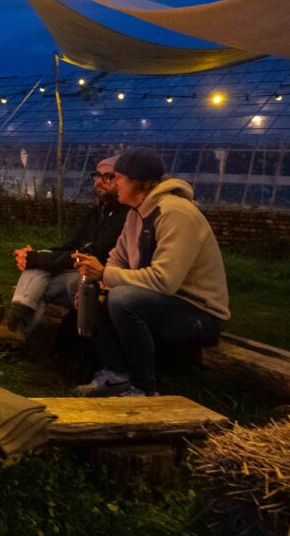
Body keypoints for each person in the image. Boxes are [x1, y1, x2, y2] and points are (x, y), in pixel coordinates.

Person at [73, 147, 229, 397]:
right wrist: (101, 283)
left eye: (118, 178)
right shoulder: (136, 213)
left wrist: (105, 276)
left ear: (138, 182)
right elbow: (117, 258)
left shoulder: (175, 213)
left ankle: (145, 388)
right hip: (161, 301)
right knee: (92, 293)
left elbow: (164, 281)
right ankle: (117, 375)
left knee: (124, 299)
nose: (115, 184)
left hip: (198, 312)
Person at [0, 155, 129, 345]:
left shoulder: (126, 215)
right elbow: (72, 246)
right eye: (97, 176)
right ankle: (14, 329)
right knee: (39, 269)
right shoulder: (97, 213)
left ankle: (15, 328)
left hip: (102, 280)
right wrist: (39, 254)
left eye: (108, 177)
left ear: (124, 180)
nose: (99, 182)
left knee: (39, 275)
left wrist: (37, 259)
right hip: (80, 274)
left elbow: (96, 254)